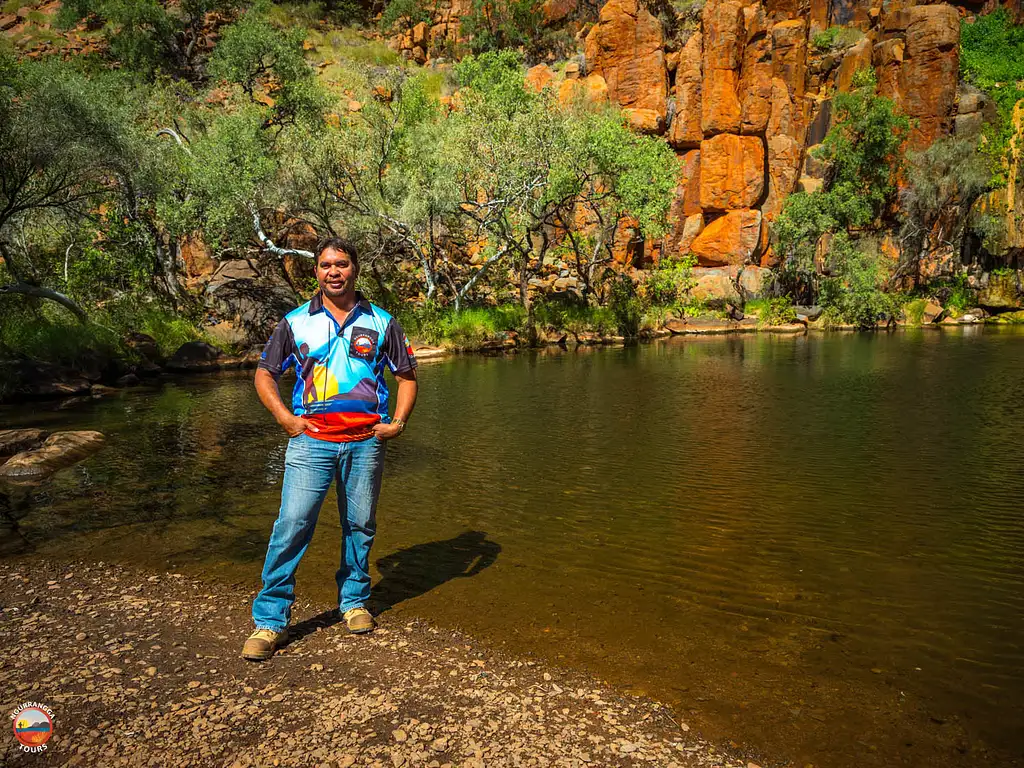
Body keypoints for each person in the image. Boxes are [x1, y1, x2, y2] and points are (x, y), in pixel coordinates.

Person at [242, 237, 418, 661]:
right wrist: (285, 418)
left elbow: (407, 376)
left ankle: (354, 602)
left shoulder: (382, 322)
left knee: (360, 525)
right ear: (316, 272)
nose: (333, 271)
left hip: (365, 444)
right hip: (311, 443)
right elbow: (265, 374)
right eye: (325, 265)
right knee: (292, 525)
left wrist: (397, 423)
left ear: (356, 269)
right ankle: (270, 622)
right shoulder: (296, 321)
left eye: (341, 264)